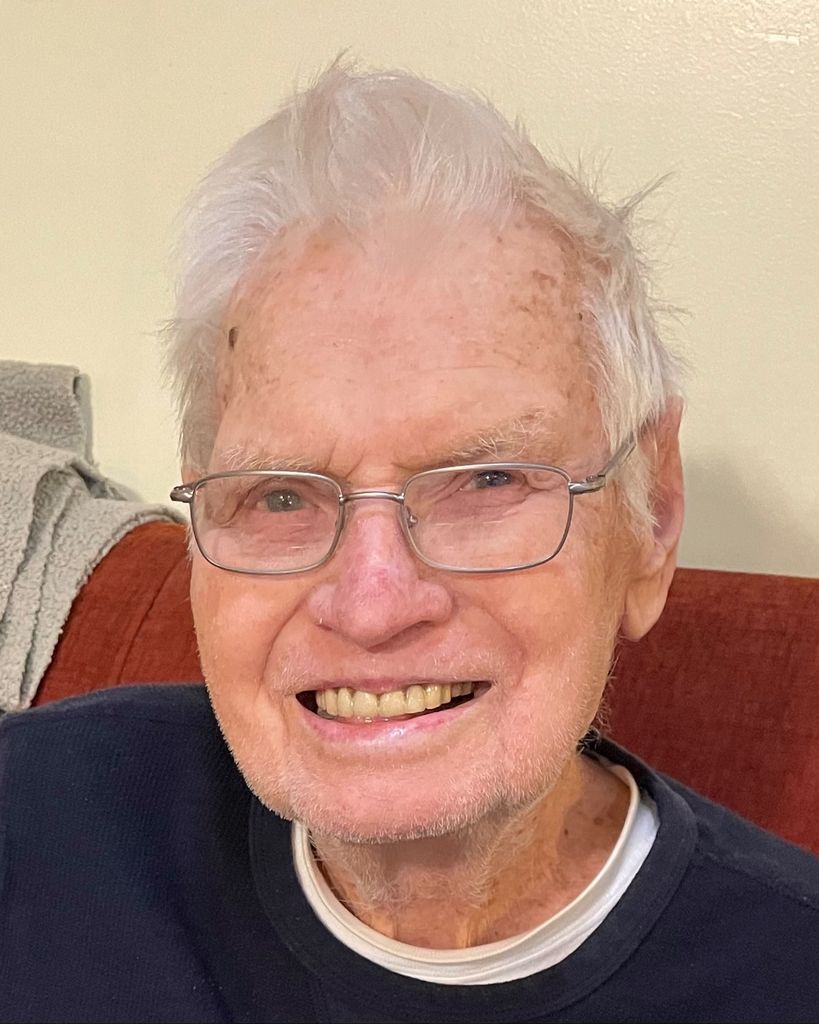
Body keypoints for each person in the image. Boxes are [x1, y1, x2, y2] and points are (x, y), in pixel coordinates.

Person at [1, 60, 818, 1024]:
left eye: (487, 480)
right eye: (279, 496)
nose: (372, 603)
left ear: (652, 516)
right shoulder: (37, 812)